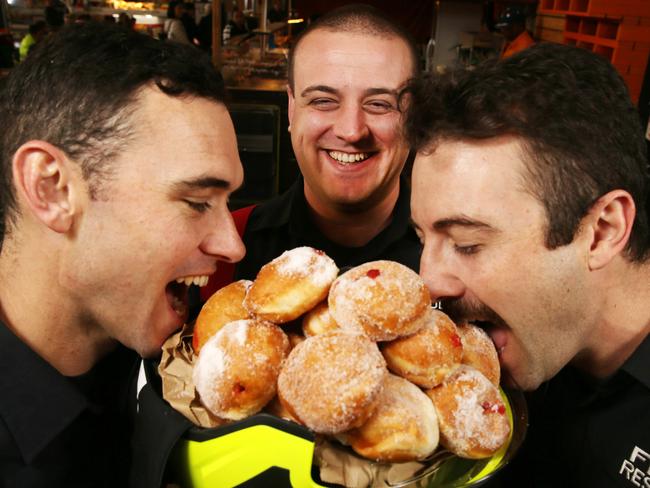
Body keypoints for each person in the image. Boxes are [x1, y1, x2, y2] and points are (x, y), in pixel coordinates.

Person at [0, 21, 245, 487]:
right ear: (50, 188)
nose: (232, 244)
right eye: (197, 202)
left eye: (226, 202)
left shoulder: (167, 370)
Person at [405, 42, 649, 487]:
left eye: (467, 243)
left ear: (602, 231)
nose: (428, 283)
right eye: (422, 238)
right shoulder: (482, 358)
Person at [202, 3, 421, 301]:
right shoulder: (220, 254)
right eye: (323, 101)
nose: (351, 131)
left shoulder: (462, 265)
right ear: (292, 109)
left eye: (379, 104)